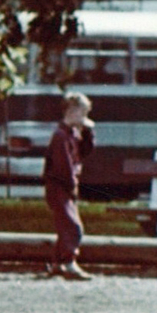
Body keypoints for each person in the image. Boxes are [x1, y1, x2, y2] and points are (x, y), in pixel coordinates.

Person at [43, 92, 95, 281]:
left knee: (65, 224)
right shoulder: (61, 137)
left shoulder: (72, 133)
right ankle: (69, 262)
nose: (85, 117)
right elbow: (63, 165)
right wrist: (71, 184)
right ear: (72, 111)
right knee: (73, 226)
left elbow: (84, 153)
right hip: (59, 187)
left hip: (65, 187)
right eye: (83, 112)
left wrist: (88, 132)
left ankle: (57, 263)